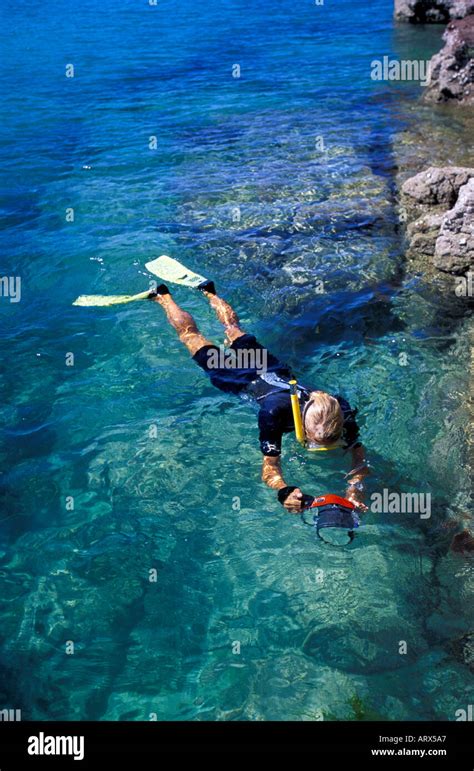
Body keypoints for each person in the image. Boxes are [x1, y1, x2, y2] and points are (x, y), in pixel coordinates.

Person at [149, 281, 369, 514]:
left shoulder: (341, 410)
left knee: (232, 328)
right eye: (314, 442)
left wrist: (355, 490)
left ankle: (210, 292)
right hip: (237, 378)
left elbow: (359, 455)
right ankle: (163, 297)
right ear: (301, 426)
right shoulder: (273, 413)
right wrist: (283, 489)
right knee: (192, 337)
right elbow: (270, 467)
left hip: (268, 367)